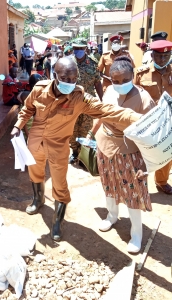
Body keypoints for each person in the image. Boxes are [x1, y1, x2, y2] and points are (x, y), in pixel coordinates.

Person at [10, 57, 142, 242]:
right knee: (36, 173)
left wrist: (137, 117)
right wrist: (18, 125)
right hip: (35, 143)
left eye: (74, 79)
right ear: (55, 75)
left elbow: (107, 110)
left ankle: (57, 221)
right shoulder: (40, 89)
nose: (70, 83)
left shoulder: (79, 97)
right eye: (65, 78)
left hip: (58, 147)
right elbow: (28, 108)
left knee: (59, 184)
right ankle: (37, 199)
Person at [88, 57, 155, 253]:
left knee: (132, 193)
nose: (119, 85)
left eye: (124, 80)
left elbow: (149, 133)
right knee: (108, 185)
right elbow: (101, 114)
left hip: (130, 151)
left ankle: (136, 234)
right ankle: (112, 216)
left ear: (132, 77)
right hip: (105, 145)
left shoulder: (144, 99)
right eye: (115, 81)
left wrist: (147, 164)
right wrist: (91, 135)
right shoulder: (108, 91)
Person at [134, 40, 172, 194]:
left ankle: (161, 181)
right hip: (147, 121)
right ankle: (137, 181)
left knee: (166, 151)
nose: (162, 59)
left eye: (166, 56)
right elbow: (132, 95)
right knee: (141, 152)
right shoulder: (141, 73)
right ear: (152, 55)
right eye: (158, 56)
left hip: (168, 121)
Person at [69, 38, 103, 164]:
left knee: (86, 128)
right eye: (75, 48)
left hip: (88, 103)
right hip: (71, 101)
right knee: (72, 128)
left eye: (80, 48)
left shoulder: (93, 63)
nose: (78, 51)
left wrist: (102, 100)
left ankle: (83, 155)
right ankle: (75, 152)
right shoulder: (68, 63)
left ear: (85, 49)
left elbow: (97, 82)